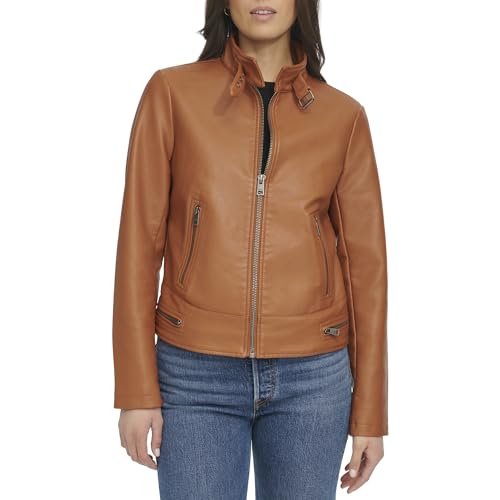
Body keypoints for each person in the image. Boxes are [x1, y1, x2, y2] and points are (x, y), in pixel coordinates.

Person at [112, 1, 388, 498]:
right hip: (194, 372)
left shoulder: (343, 117)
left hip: (313, 378)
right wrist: (136, 389)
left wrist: (370, 412)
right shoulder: (172, 94)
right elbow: (138, 246)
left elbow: (366, 271)